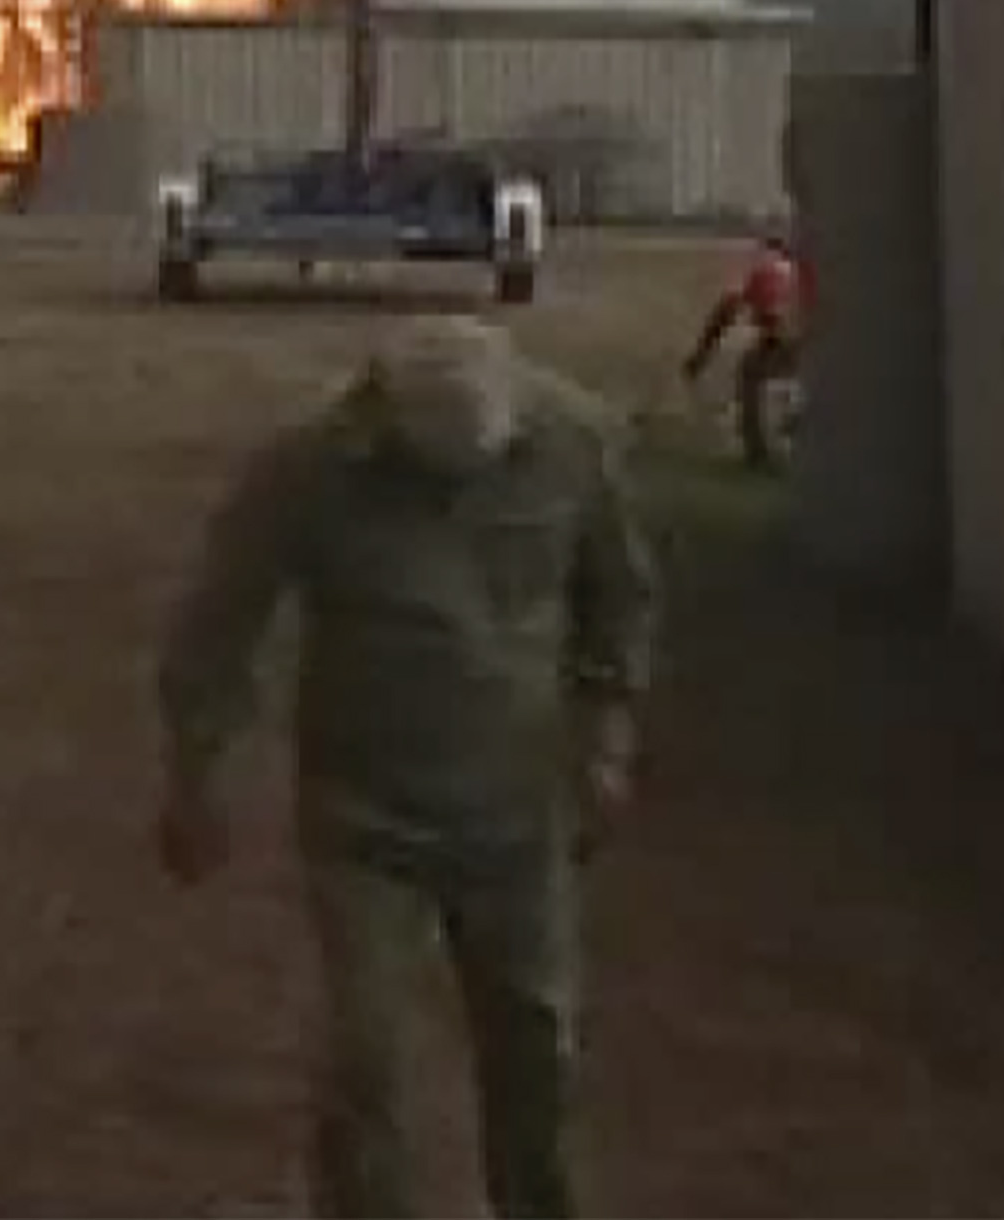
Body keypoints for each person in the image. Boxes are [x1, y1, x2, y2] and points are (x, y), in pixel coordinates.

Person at [156, 314, 660, 1220]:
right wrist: (196, 771)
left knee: (536, 1045)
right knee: (367, 1057)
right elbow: (221, 618)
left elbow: (618, 597)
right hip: (365, 818)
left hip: (516, 812)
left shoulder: (575, 447)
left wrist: (607, 735)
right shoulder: (306, 471)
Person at [680, 231, 816, 469]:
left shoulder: (760, 271)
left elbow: (725, 312)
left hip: (788, 336)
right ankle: (796, 423)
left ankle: (757, 453)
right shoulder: (801, 269)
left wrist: (701, 356)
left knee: (750, 371)